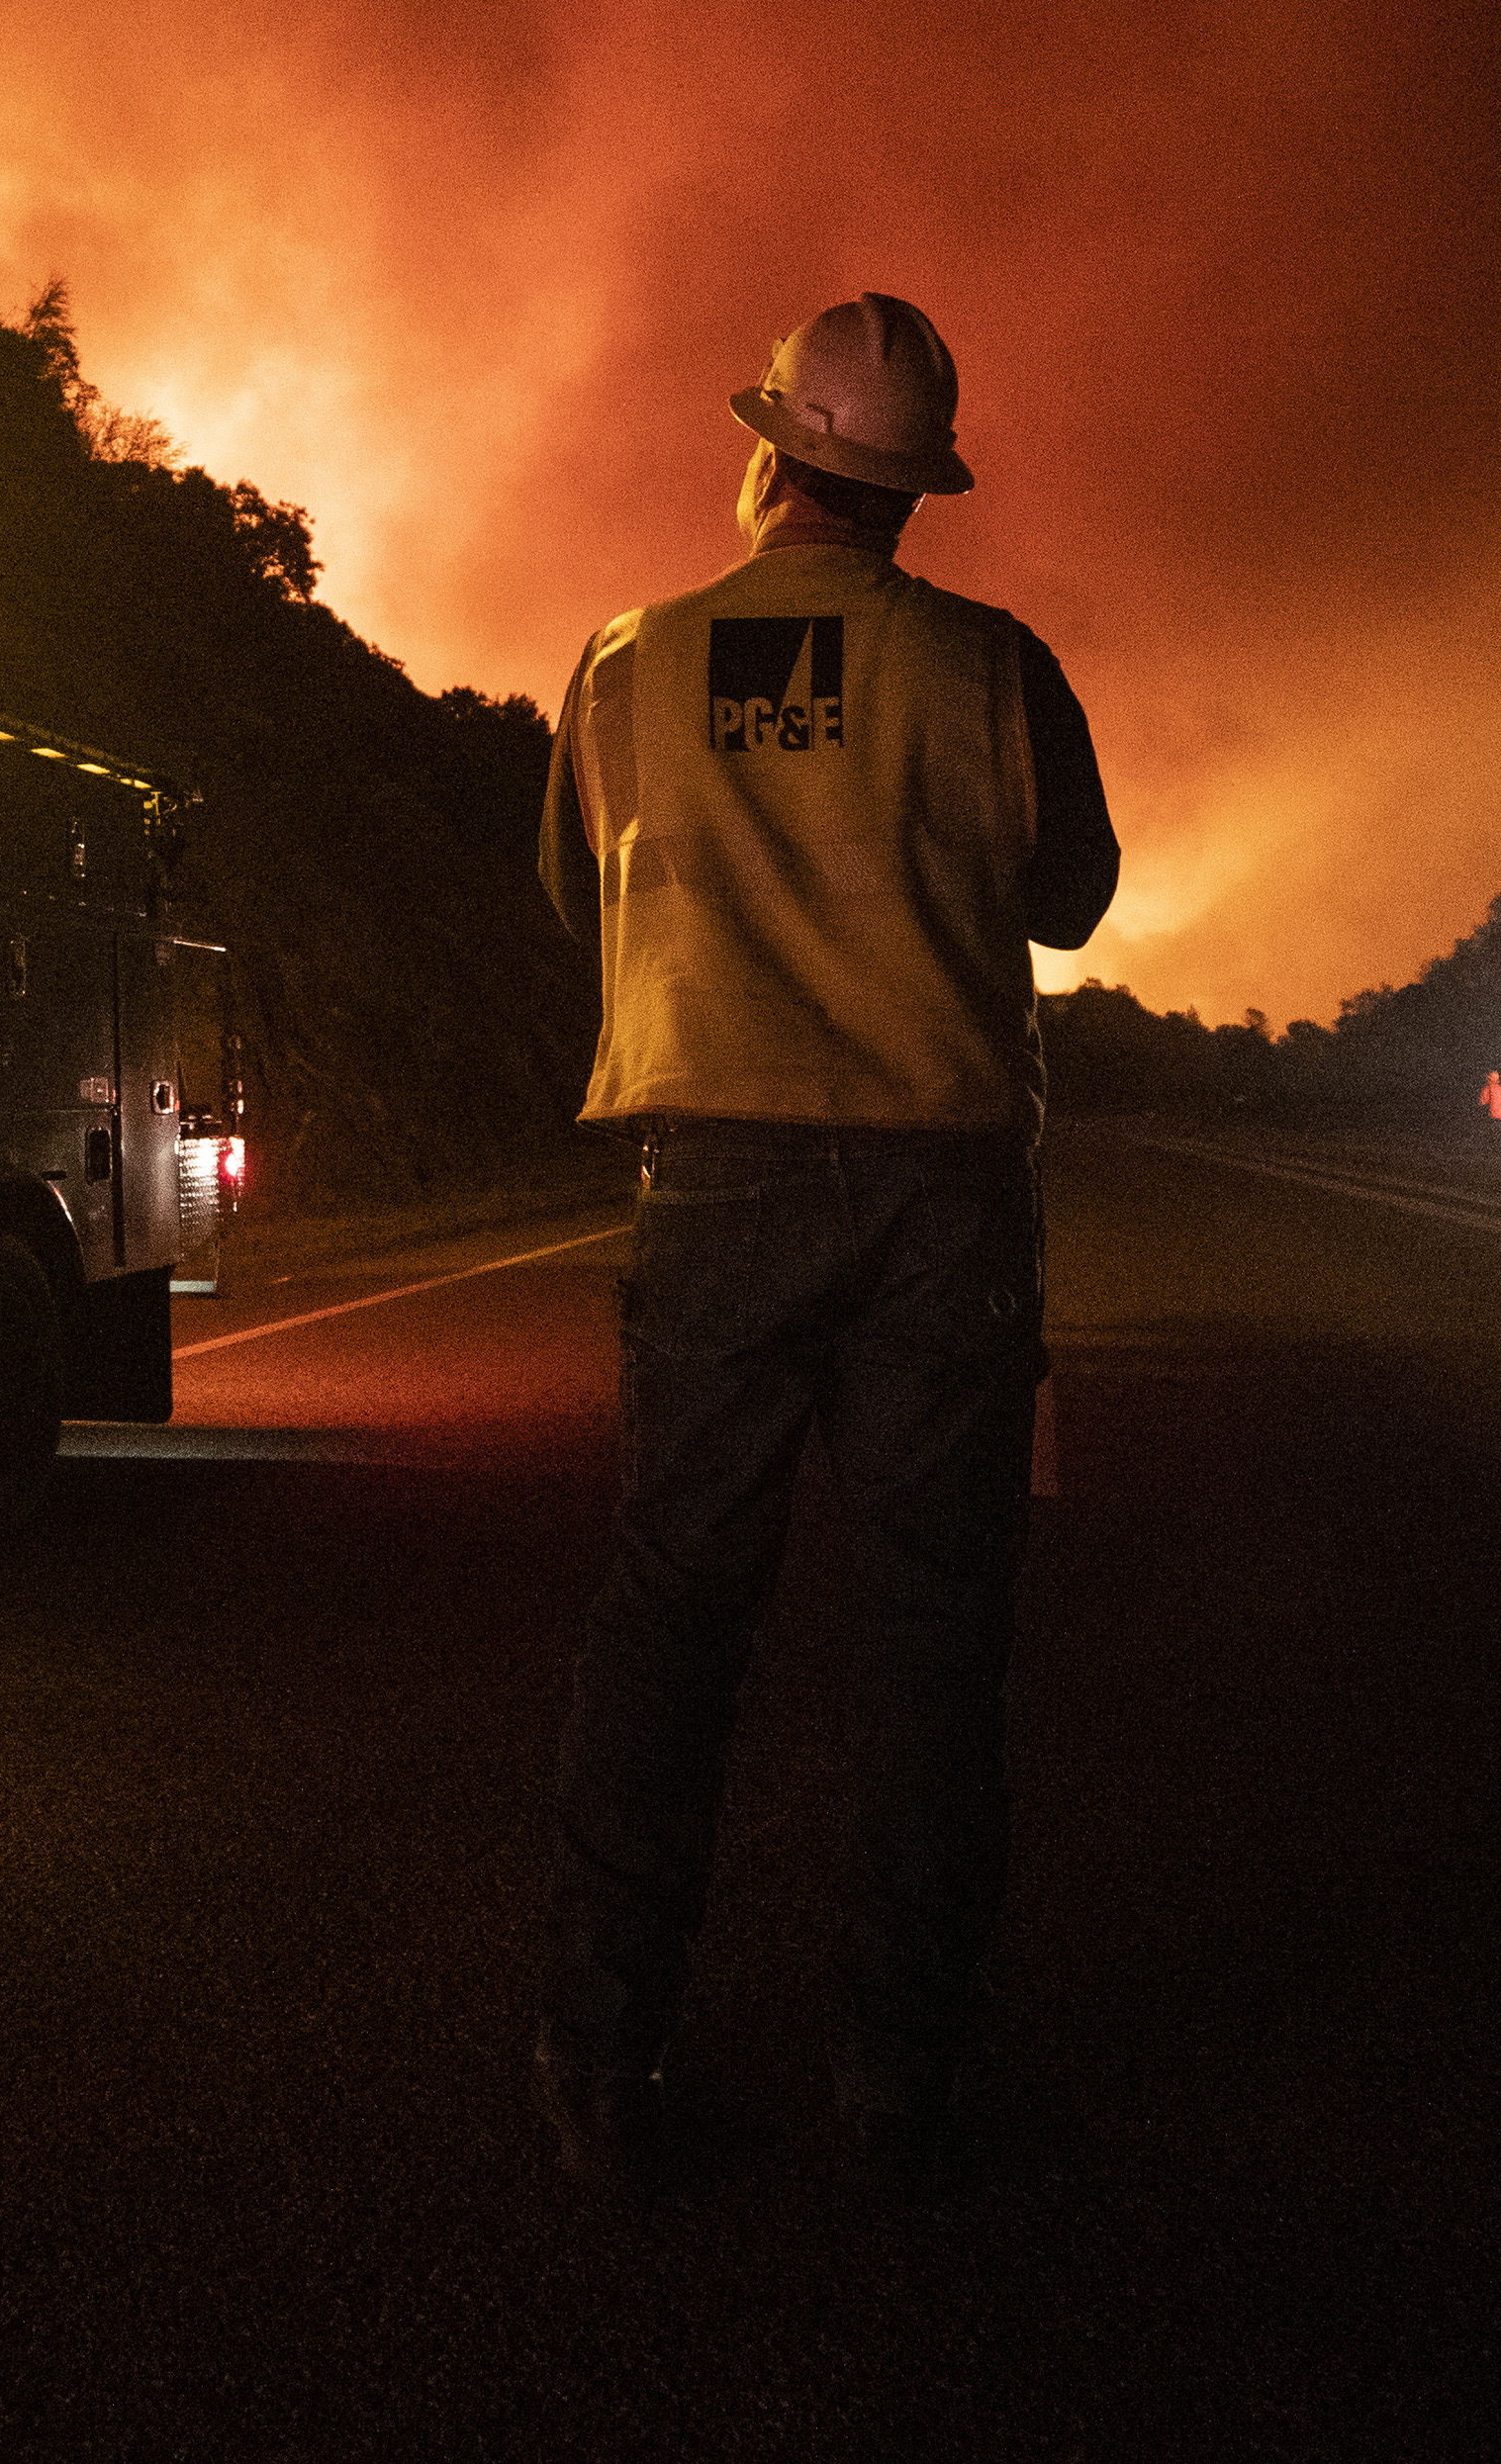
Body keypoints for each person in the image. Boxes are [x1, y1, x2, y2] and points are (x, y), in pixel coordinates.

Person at [532, 290, 1116, 2200]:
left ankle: (605, 2058)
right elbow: (1072, 899)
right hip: (941, 1187)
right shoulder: (993, 666)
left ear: (769, 453)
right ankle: (897, 2082)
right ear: (913, 491)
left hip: (713, 1171)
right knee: (933, 1637)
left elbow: (578, 896)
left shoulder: (626, 661)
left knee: (673, 1615)